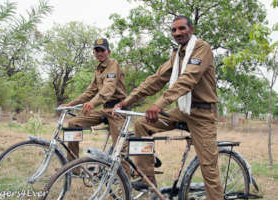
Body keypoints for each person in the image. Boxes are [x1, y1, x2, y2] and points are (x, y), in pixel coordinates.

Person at [114, 15, 224, 200]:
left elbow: (188, 79)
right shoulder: (177, 54)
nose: (177, 33)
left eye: (181, 28)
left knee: (208, 167)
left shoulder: (201, 48)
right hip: (182, 111)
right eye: (174, 30)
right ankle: (148, 177)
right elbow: (156, 80)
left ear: (191, 29)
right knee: (142, 125)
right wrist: (128, 101)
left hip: (202, 114)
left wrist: (159, 104)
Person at [60, 38, 127, 164]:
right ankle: (73, 167)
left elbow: (108, 88)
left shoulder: (113, 65)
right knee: (73, 124)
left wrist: (92, 103)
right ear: (93, 53)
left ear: (109, 52)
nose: (99, 53)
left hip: (117, 110)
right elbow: (90, 91)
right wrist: (70, 104)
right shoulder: (98, 69)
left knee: (120, 146)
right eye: (97, 50)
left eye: (102, 50)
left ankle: (124, 179)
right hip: (104, 109)